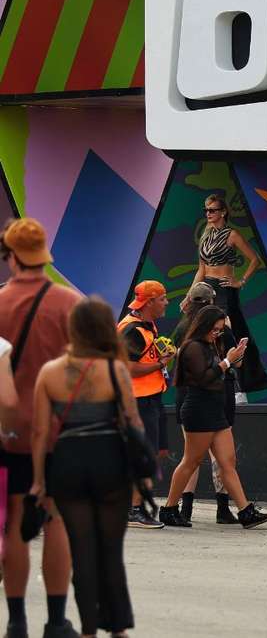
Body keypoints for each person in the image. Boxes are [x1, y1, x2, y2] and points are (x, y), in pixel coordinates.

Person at [29, 298, 144, 638]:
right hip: (109, 462)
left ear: (73, 329)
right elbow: (132, 422)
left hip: (68, 464)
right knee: (110, 550)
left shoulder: (50, 372)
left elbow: (40, 432)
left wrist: (39, 479)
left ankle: (89, 630)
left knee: (81, 551)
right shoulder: (116, 370)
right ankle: (118, 628)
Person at [0, 218, 84, 638]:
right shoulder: (70, 304)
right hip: (59, 432)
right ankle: (56, 620)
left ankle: (16, 621)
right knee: (56, 519)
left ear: (11, 257)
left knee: (15, 520)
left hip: (8, 431)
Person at [158, 306, 267, 529]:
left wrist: (234, 357)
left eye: (220, 330)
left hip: (216, 409)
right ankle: (169, 508)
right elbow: (204, 378)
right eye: (215, 329)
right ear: (204, 326)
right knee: (191, 461)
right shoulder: (192, 347)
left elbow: (220, 372)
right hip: (198, 410)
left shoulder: (211, 345)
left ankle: (245, 511)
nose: (217, 334)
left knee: (227, 462)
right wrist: (227, 361)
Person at [172, 282, 242, 525]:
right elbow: (235, 363)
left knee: (191, 455)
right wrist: (231, 359)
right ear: (211, 302)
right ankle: (223, 508)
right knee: (220, 457)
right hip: (216, 393)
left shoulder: (182, 329)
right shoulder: (222, 329)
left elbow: (176, 359)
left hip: (186, 395)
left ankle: (184, 508)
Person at [192, 194, 267, 394]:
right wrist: (190, 295)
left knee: (228, 335)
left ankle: (238, 387)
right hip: (207, 289)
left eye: (212, 210)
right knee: (207, 336)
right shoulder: (205, 235)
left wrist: (240, 281)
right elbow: (201, 269)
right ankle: (214, 383)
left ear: (223, 212)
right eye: (206, 210)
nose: (208, 213)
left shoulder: (232, 235)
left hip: (225, 290)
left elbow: (255, 259)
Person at [117, 281, 171, 530]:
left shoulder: (145, 325)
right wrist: (161, 364)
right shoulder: (133, 330)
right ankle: (134, 510)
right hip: (139, 400)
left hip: (150, 398)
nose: (166, 302)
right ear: (149, 302)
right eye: (162, 299)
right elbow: (127, 368)